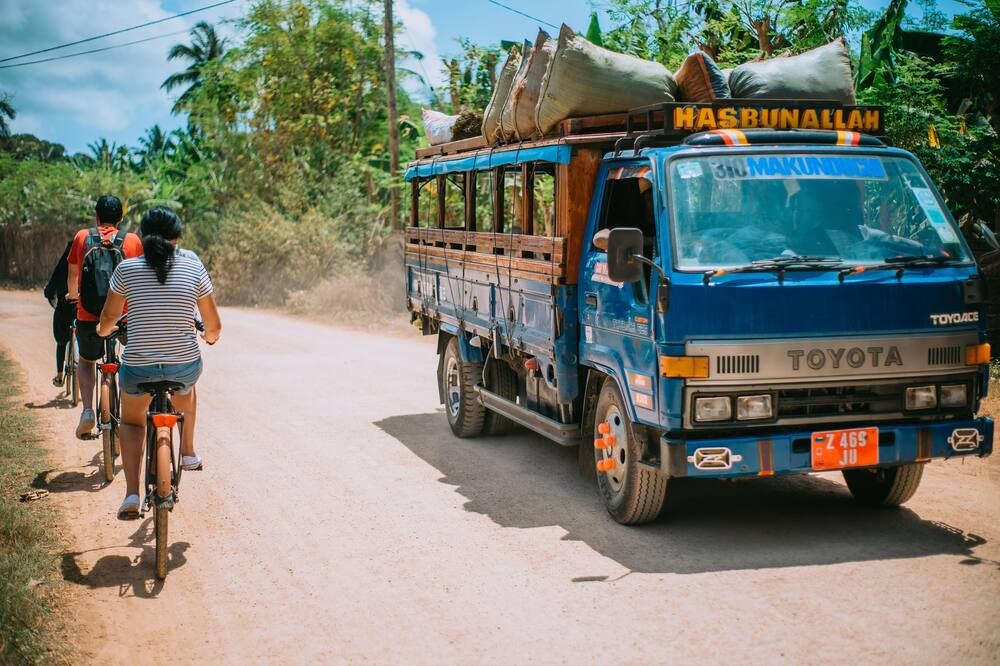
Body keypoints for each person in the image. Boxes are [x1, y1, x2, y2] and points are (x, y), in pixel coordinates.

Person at [97, 207, 221, 519]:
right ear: (177, 237)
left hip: (138, 368)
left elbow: (108, 319)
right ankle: (188, 452)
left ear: (141, 237)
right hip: (183, 366)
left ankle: (132, 494)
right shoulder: (193, 268)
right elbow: (213, 326)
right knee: (188, 388)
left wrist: (103, 330)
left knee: (132, 421)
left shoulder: (126, 269)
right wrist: (209, 336)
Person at [66, 195, 143, 439]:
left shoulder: (82, 237)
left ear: (96, 216)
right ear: (121, 218)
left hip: (89, 317)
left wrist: (73, 296)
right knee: (137, 359)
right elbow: (139, 279)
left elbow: (73, 275)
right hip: (124, 318)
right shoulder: (131, 241)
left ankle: (88, 410)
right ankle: (136, 409)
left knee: (87, 362)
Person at [44, 241, 75, 387]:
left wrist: (52, 297)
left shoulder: (62, 265)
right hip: (80, 311)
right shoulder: (86, 264)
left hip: (63, 309)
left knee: (61, 342)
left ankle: (59, 375)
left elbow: (49, 290)